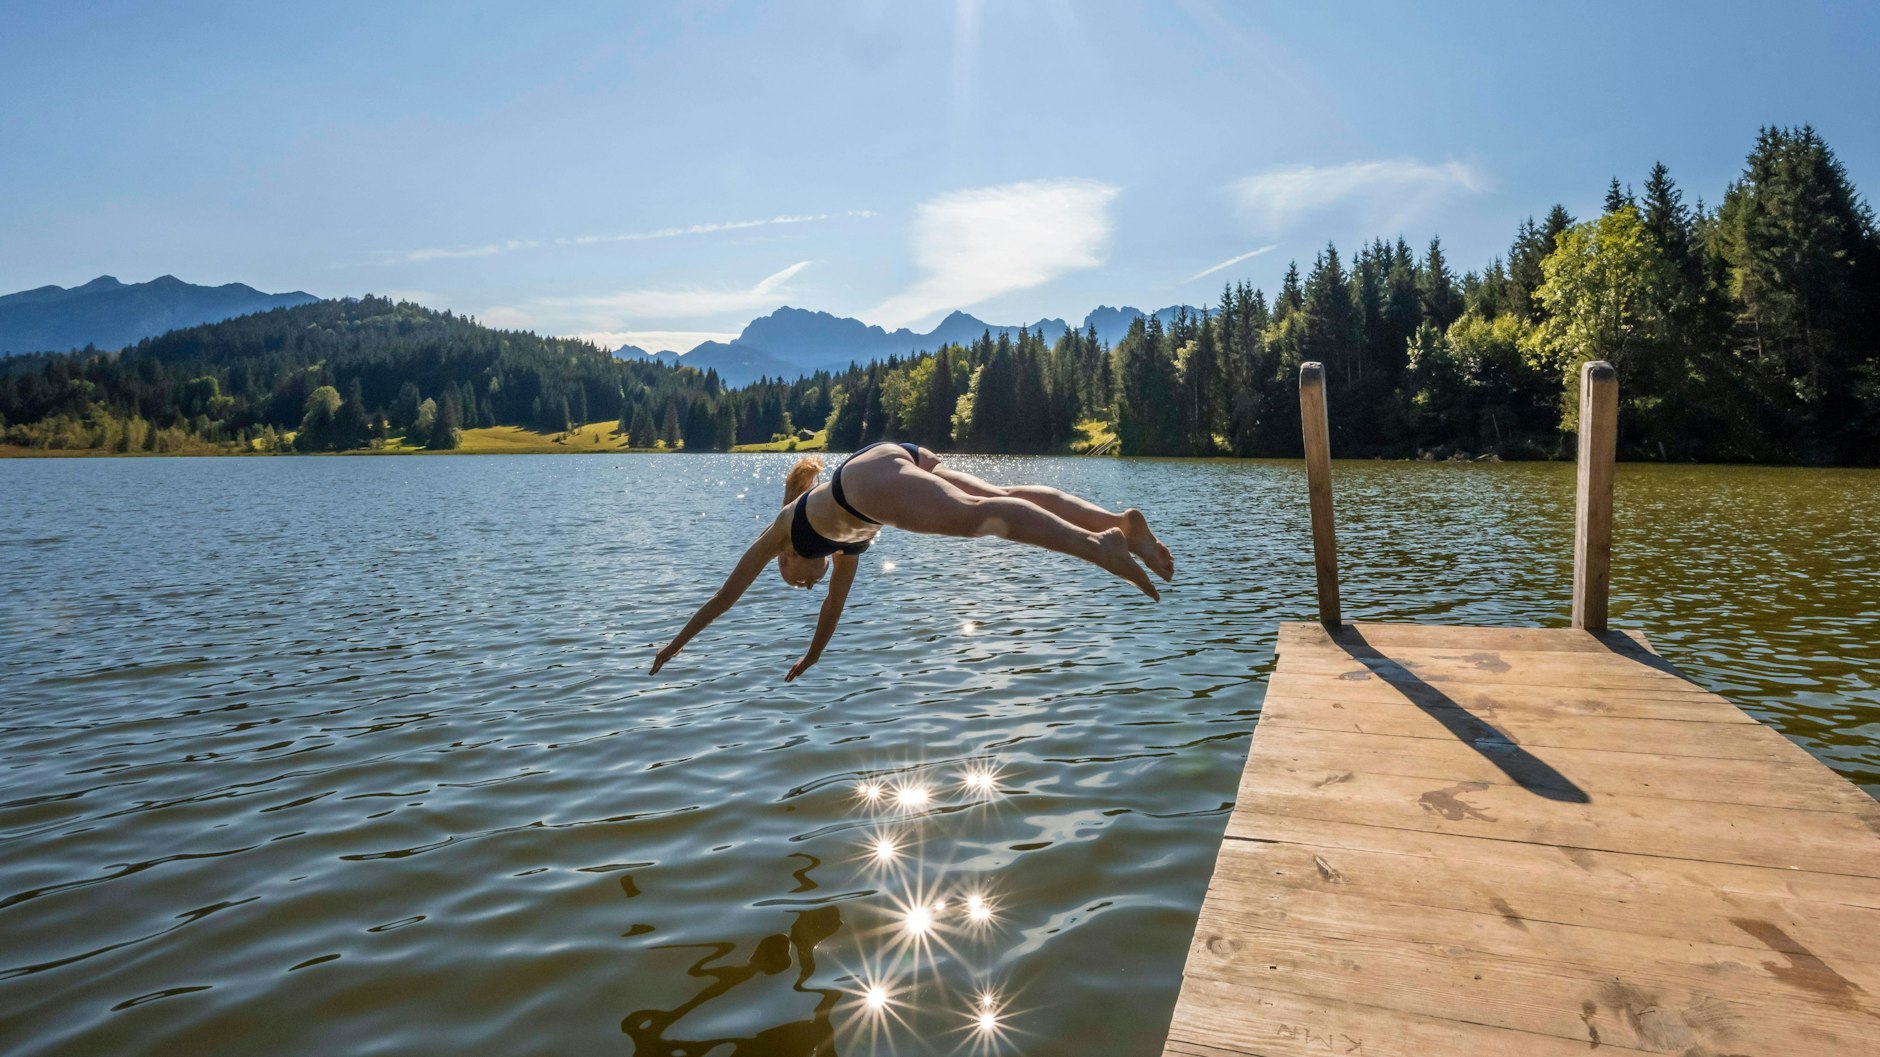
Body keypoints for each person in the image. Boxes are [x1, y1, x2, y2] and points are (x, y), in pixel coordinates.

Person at [650, 441, 1174, 680]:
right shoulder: (843, 547)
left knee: (977, 516)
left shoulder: (783, 529)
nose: (803, 585)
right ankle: (1122, 523)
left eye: (792, 581)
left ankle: (1098, 545)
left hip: (867, 483)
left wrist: (676, 644)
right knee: (1003, 492)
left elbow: (725, 596)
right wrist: (812, 657)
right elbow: (832, 610)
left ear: (786, 558)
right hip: (886, 462)